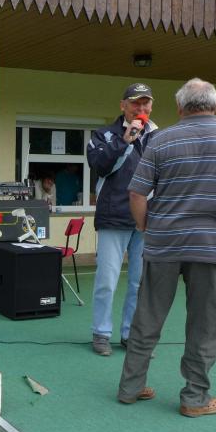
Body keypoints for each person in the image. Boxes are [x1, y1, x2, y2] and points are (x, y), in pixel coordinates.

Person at [117, 78, 216, 417]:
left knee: (147, 316)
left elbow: (137, 193)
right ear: (215, 105)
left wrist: (145, 227)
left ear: (179, 108)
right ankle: (195, 398)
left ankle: (130, 388)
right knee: (205, 323)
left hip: (164, 244)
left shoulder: (160, 140)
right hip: (212, 247)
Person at [86, 83, 158, 356]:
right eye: (135, 103)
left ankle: (131, 335)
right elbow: (100, 166)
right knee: (107, 281)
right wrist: (124, 141)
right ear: (123, 105)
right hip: (113, 216)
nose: (141, 108)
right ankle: (101, 333)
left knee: (140, 283)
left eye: (145, 103)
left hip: (147, 220)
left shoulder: (158, 136)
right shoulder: (103, 135)